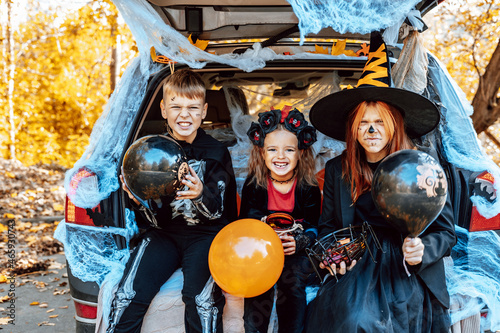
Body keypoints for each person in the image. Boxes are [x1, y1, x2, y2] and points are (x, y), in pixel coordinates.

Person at [305, 31, 456, 332]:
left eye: (379, 123)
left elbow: (446, 232)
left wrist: (423, 249)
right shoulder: (338, 169)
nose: (371, 130)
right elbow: (327, 227)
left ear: (393, 126)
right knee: (353, 321)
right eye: (363, 123)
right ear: (353, 129)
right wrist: (333, 254)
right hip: (359, 261)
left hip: (405, 264)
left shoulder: (420, 166)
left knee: (392, 322)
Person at [106, 69, 238, 333]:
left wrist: (202, 194)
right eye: (176, 106)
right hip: (164, 234)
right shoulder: (151, 152)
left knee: (201, 301)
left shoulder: (216, 152)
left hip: (206, 235)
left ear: (204, 111)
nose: (184, 114)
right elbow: (151, 218)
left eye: (192, 107)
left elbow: (223, 212)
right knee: (126, 296)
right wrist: (136, 199)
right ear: (164, 109)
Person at [241, 106, 321, 333]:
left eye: (289, 150)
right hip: (261, 250)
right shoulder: (253, 185)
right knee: (256, 286)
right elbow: (244, 225)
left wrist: (300, 242)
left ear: (300, 153)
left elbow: (314, 226)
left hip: (294, 251)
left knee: (293, 284)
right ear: (262, 153)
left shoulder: (308, 187)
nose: (280, 157)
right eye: (273, 149)